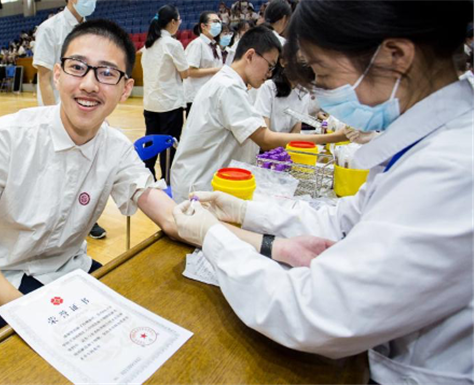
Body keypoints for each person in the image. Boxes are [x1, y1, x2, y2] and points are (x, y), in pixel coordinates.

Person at [172, 1, 474, 384]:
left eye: (324, 73)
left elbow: (312, 313)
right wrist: (247, 211)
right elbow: (346, 219)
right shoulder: (435, 142)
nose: (324, 91)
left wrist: (214, 238)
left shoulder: (452, 167)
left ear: (395, 56)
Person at [0, 19, 181, 335]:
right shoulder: (5, 138)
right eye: (78, 67)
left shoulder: (115, 147)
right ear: (58, 74)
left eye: (107, 73)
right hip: (3, 278)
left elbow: (160, 208)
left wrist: (223, 229)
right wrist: (26, 315)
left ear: (126, 89)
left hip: (71, 270)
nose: (89, 84)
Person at [171, 25, 347, 203]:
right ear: (250, 56)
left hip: (207, 180)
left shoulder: (234, 85)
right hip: (199, 185)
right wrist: (334, 137)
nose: (269, 75)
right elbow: (265, 139)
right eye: (269, 67)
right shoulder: (228, 87)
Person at [33, 0, 106, 239]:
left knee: (87, 167)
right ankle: (54, 224)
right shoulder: (49, 28)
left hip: (87, 108)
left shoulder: (93, 29)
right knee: (58, 173)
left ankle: (85, 220)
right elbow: (43, 77)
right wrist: (51, 115)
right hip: (59, 113)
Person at [141, 5, 188, 183]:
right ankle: (167, 182)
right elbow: (185, 73)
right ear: (173, 22)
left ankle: (146, 180)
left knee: (151, 145)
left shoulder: (148, 47)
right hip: (170, 104)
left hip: (151, 103)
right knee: (169, 147)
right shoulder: (173, 44)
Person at [183, 11, 223, 117]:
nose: (218, 24)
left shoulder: (216, 47)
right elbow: (189, 71)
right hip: (197, 97)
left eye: (219, 22)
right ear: (203, 26)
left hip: (211, 96)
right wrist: (216, 70)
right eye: (215, 21)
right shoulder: (197, 44)